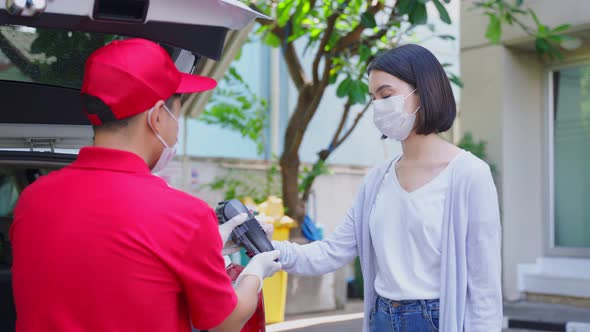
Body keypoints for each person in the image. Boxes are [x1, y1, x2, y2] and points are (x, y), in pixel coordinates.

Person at [10, 38, 281, 332]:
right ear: (157, 116)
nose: (177, 126)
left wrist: (205, 247)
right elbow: (224, 323)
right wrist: (257, 270)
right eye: (176, 114)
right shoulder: (184, 214)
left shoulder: (33, 197)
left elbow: (112, 266)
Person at [271, 44, 502, 332]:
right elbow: (331, 252)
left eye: (386, 95)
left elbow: (484, 286)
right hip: (382, 317)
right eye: (373, 98)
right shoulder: (377, 180)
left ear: (424, 91)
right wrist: (267, 248)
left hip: (435, 320)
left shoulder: (469, 175)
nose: (378, 106)